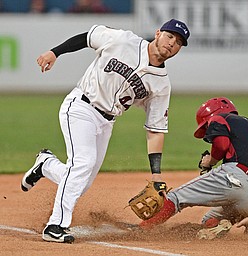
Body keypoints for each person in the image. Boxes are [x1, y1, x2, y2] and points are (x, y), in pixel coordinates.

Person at [21, 19, 190, 243]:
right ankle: (55, 225)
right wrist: (55, 52)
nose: (172, 43)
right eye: (170, 36)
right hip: (81, 106)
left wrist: (156, 174)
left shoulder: (161, 85)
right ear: (158, 33)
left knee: (81, 182)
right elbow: (88, 37)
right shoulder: (123, 40)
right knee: (83, 163)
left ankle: (46, 165)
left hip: (106, 122)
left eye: (178, 42)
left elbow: (155, 130)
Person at [138, 97, 248, 239]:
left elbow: (221, 145)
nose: (207, 130)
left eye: (206, 127)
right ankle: (220, 225)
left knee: (176, 197)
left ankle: (141, 230)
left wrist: (210, 161)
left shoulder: (220, 117)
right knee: (209, 220)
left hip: (235, 177)